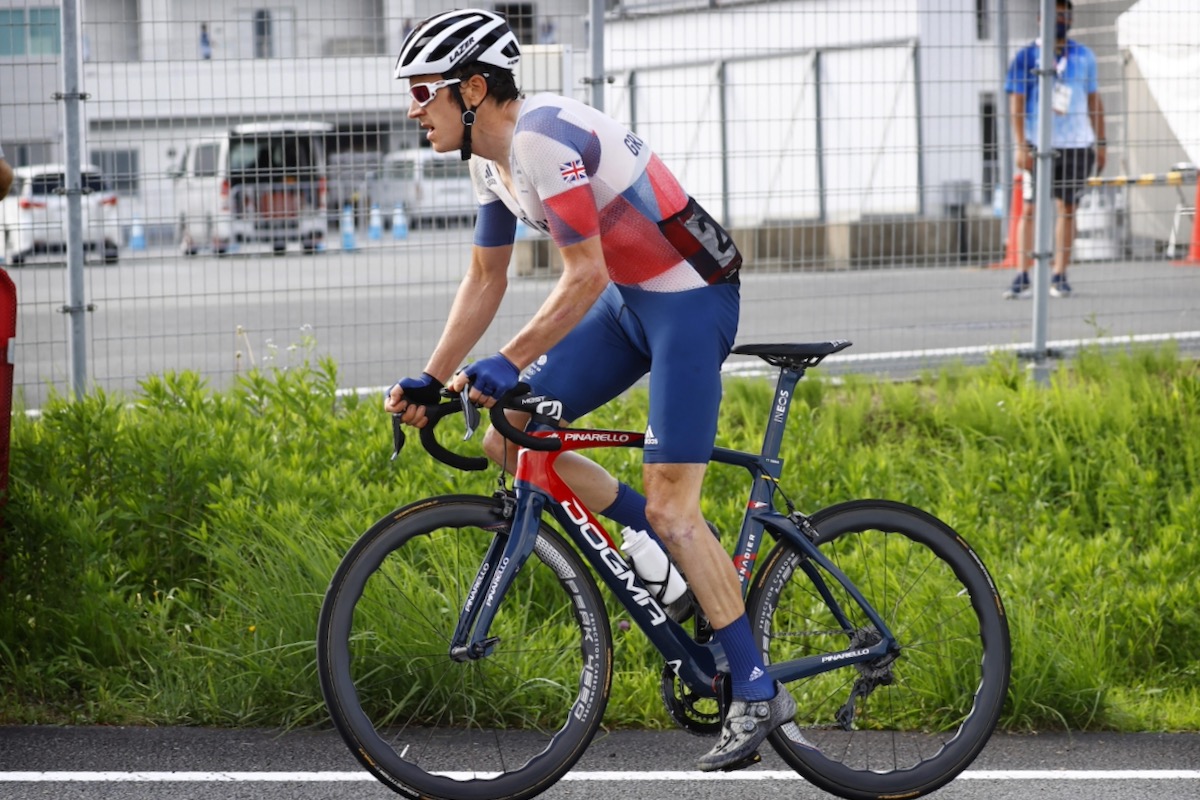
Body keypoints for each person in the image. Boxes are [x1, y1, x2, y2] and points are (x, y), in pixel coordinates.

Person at [384, 9, 794, 772]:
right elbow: (486, 276)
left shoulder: (542, 137)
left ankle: (759, 687)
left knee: (675, 505)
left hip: (688, 298)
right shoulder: (489, 161)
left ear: (473, 89)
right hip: (629, 302)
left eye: (424, 92)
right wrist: (433, 378)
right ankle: (661, 558)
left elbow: (586, 272)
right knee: (506, 435)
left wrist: (506, 358)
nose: (414, 109)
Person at [1003, 0, 1106, 299]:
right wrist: (1021, 144)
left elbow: (1093, 100)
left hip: (1076, 143)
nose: (1060, 18)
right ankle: (1023, 273)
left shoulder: (1084, 56)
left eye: (1065, 13)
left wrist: (1101, 141)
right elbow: (1016, 102)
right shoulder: (1026, 56)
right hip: (1038, 143)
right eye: (1055, 13)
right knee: (1032, 207)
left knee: (1068, 208)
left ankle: (1059, 273)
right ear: (1041, 18)